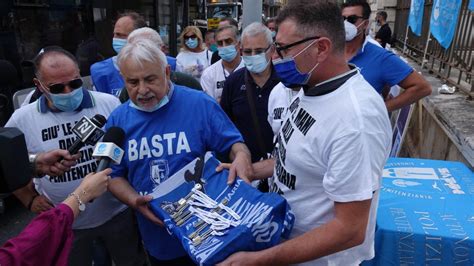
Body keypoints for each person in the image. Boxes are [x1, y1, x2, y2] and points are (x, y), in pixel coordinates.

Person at [218, 1, 391, 265]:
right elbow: (295, 159)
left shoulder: (355, 121)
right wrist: (250, 169)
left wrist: (259, 259)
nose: (274, 58)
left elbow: (351, 229)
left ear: (321, 48)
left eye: (284, 49)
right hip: (285, 243)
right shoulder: (308, 89)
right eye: (275, 48)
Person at [105, 39, 252, 266]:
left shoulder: (199, 104)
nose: (142, 90)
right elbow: (113, 175)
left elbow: (235, 145)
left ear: (166, 72)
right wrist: (135, 201)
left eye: (150, 79)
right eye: (132, 82)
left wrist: (241, 158)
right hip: (158, 237)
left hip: (209, 230)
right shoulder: (118, 120)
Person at [5, 47, 145, 266]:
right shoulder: (22, 118)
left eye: (75, 83)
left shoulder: (109, 103)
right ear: (39, 86)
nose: (68, 91)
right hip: (66, 223)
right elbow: (8, 164)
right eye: (57, 87)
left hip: (116, 214)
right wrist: (29, 198)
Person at [0, 168, 112, 266]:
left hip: (111, 215)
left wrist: (37, 163)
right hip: (71, 228)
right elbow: (25, 251)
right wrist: (83, 194)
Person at [343, 0, 431, 111]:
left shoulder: (380, 56)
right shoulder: (329, 51)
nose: (345, 24)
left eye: (352, 19)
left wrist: (382, 109)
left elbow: (422, 87)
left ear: (365, 24)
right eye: (342, 19)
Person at [220, 22, 279, 164]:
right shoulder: (233, 82)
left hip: (282, 169)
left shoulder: (285, 82)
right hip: (246, 168)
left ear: (271, 50)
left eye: (259, 51)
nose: (253, 56)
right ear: (240, 51)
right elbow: (224, 128)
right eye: (247, 51)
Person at [90, 11, 147, 96]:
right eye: (115, 34)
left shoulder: (163, 64)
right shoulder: (99, 70)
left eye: (121, 35)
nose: (115, 39)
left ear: (138, 37)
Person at [201, 25, 244, 102]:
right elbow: (210, 106)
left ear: (239, 44)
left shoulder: (250, 68)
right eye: (220, 43)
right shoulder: (209, 74)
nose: (224, 46)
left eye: (228, 41)